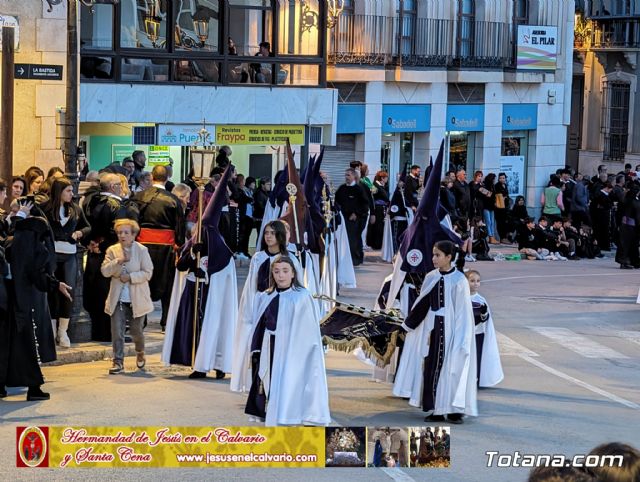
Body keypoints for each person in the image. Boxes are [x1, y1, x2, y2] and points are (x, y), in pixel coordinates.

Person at [244, 256, 330, 426]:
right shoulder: (265, 296)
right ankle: (271, 412)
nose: (280, 276)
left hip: (293, 350)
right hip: (270, 346)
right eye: (276, 272)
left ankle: (288, 414)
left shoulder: (302, 297)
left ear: (293, 274)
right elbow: (259, 325)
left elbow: (308, 333)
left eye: (285, 271)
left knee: (289, 383)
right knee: (268, 382)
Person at [2, 201, 72, 400]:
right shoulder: (36, 246)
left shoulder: (11, 243)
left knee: (10, 346)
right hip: (29, 302)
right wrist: (56, 284)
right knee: (30, 347)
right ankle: (34, 388)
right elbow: (38, 275)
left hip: (10, 300)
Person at [400, 240, 477, 424]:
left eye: (438, 255)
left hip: (453, 331)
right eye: (433, 254)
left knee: (452, 369)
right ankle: (435, 408)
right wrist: (406, 326)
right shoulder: (431, 277)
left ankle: (453, 411)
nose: (433, 258)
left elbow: (463, 312)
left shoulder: (459, 280)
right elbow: (422, 303)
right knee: (432, 367)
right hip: (433, 329)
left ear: (449, 257)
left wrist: (461, 338)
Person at [231, 220, 303, 392]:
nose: (268, 236)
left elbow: (297, 286)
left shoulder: (291, 258)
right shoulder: (258, 258)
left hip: (282, 308)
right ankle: (255, 385)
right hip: (260, 306)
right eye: (266, 233)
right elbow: (251, 287)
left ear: (280, 235)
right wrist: (250, 312)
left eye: (272, 233)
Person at [131, 165, 186, 331]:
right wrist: (179, 243)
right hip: (166, 247)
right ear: (167, 178)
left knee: (143, 281)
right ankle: (166, 321)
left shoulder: (139, 196)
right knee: (167, 283)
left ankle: (142, 320)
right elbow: (180, 226)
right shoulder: (173, 200)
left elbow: (133, 220)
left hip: (142, 245)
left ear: (151, 177)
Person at [39, 177, 91, 348]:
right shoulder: (45, 209)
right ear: (59, 191)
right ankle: (52, 330)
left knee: (68, 291)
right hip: (51, 254)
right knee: (52, 290)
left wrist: (79, 234)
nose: (72, 193)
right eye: (68, 190)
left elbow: (87, 226)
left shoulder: (75, 209)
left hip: (69, 254)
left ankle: (63, 331)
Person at [101, 219, 154, 374]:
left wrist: (131, 277)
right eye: (119, 232)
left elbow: (148, 272)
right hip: (117, 298)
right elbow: (105, 271)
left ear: (133, 235)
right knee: (117, 331)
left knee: (136, 331)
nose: (122, 235)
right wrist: (118, 261)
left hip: (137, 298)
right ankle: (118, 361)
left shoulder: (142, 250)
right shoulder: (112, 250)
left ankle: (140, 352)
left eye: (125, 232)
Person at [84, 173, 128, 341]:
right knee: (110, 293)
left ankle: (96, 330)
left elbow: (85, 224)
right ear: (113, 187)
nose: (121, 187)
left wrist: (90, 243)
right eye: (119, 184)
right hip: (109, 254)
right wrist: (102, 246)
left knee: (95, 291)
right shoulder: (117, 206)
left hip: (93, 252)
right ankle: (108, 332)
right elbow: (119, 232)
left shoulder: (89, 201)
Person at [465, 270, 503, 387]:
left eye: (478, 281)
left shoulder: (481, 300)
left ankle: (475, 380)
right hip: (465, 335)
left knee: (477, 358)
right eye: (472, 281)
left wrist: (483, 314)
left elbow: (486, 319)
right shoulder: (461, 298)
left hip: (478, 334)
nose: (475, 284)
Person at [334, 168, 371, 266]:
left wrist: (356, 213)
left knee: (354, 239)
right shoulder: (342, 188)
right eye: (345, 175)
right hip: (342, 218)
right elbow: (336, 202)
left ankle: (356, 259)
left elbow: (365, 205)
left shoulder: (359, 189)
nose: (346, 177)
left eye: (349, 175)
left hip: (354, 219)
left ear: (354, 176)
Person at [616, 185, 640, 269]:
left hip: (625, 225)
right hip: (631, 226)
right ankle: (627, 262)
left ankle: (629, 261)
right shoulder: (635, 202)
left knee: (626, 245)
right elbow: (637, 216)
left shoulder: (625, 199)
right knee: (630, 245)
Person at [367, 171, 389, 250]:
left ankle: (379, 243)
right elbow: (375, 196)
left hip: (382, 207)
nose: (387, 180)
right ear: (382, 178)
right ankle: (376, 244)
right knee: (377, 226)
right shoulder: (375, 185)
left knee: (380, 226)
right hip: (377, 208)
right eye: (386, 178)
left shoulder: (382, 186)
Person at [590, 181, 614, 251]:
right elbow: (606, 205)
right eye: (610, 190)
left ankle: (602, 245)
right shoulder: (600, 195)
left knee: (603, 230)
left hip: (601, 215)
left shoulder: (599, 194)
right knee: (602, 230)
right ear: (607, 188)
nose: (610, 192)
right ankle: (603, 245)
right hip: (601, 216)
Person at [481, 173, 498, 244]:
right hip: (486, 205)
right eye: (494, 179)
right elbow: (488, 195)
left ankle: (492, 236)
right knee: (488, 222)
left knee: (492, 222)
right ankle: (490, 236)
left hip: (491, 206)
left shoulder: (493, 186)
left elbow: (492, 195)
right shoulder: (484, 185)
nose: (494, 180)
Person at [494, 172, 511, 242]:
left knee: (505, 222)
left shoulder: (505, 185)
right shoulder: (497, 186)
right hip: (499, 207)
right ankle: (502, 237)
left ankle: (505, 236)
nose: (502, 179)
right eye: (500, 178)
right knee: (500, 222)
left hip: (505, 206)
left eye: (503, 178)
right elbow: (497, 196)